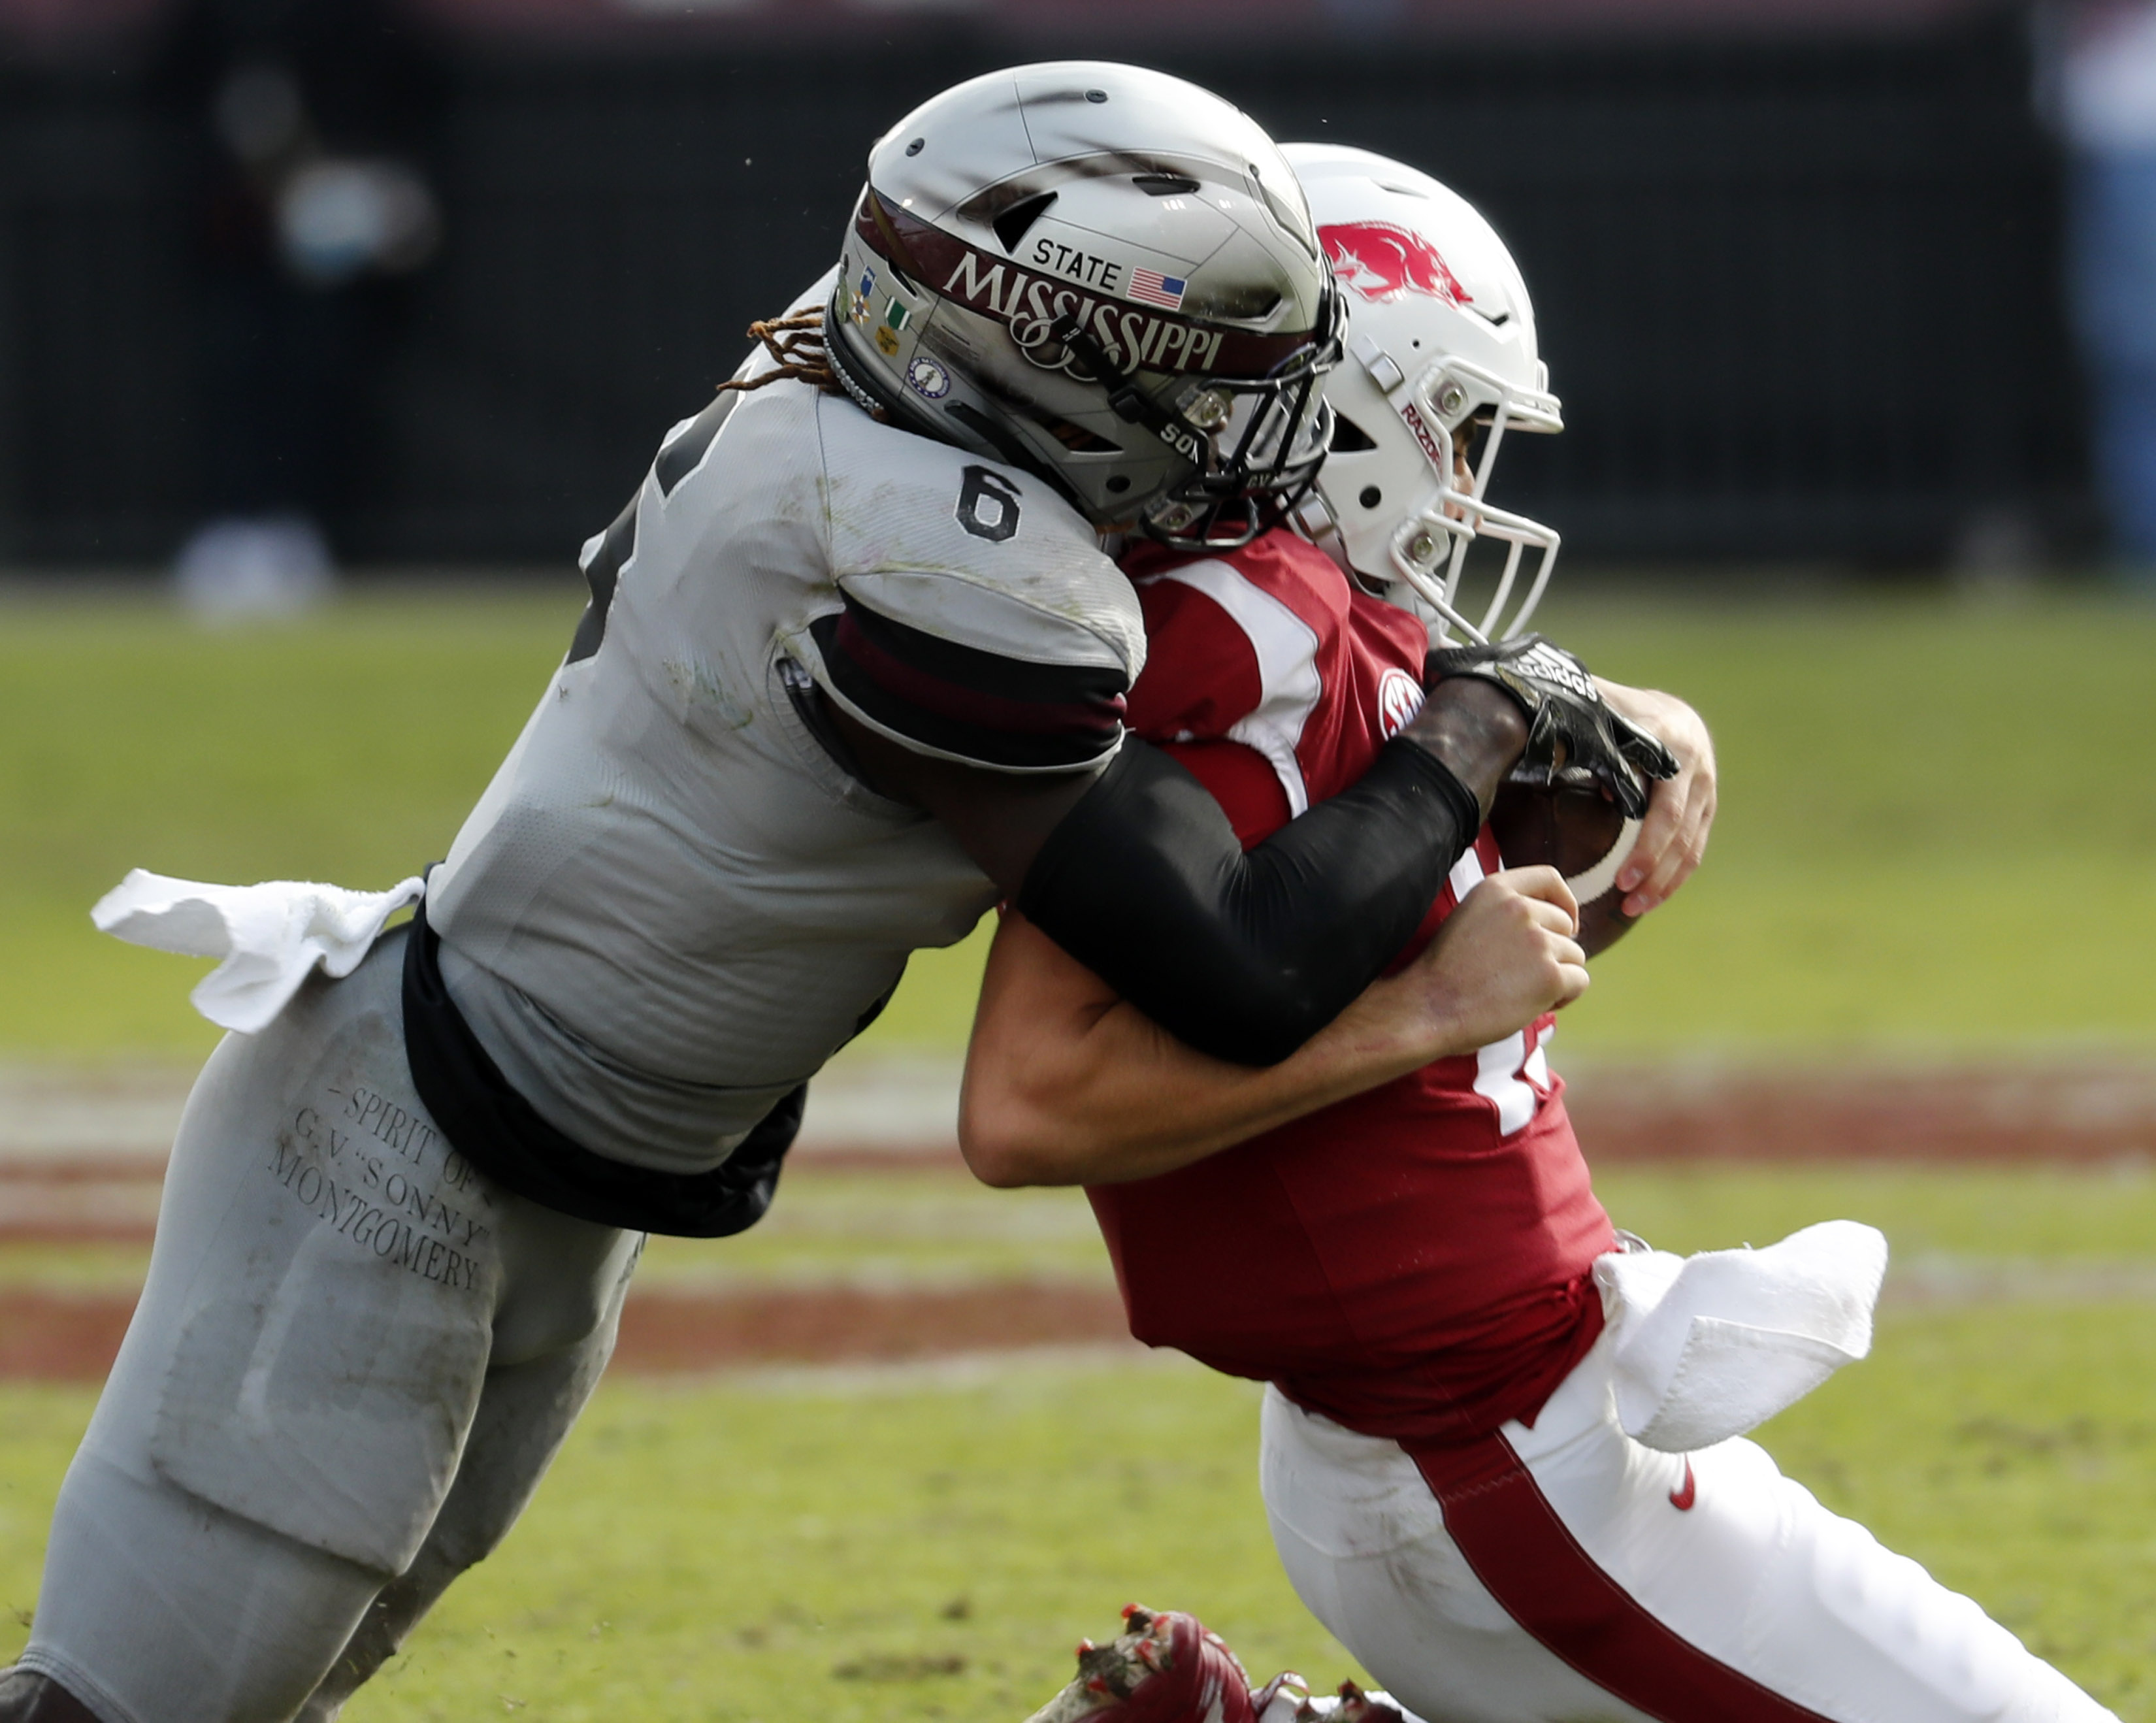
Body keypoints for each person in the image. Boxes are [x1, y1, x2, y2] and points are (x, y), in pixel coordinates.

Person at [0, 69, 1676, 1723]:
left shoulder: (888, 375)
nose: (1249, 425)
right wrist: (1481, 714)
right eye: (1199, 371)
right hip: (396, 1149)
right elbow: (1236, 960)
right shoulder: (940, 547)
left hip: (558, 1157)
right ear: (1049, 354)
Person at [958, 146, 2115, 1723]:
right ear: (1350, 395)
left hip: (1470, 1432)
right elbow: (1032, 1101)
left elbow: (1362, 940)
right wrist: (1428, 1006)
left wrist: (1640, 744)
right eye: (1455, 422)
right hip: (1490, 1456)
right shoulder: (1220, 641)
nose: (1465, 478)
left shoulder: (1310, 607)